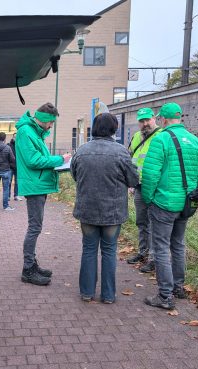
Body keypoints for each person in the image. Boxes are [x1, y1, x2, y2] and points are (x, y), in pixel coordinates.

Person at [141, 103, 198, 310]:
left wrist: (148, 198)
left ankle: (165, 295)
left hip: (164, 202)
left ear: (163, 119)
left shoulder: (160, 139)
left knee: (160, 247)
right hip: (186, 204)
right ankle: (178, 287)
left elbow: (151, 174)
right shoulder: (197, 141)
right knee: (178, 244)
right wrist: (186, 190)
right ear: (180, 118)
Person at [71, 113, 139, 303]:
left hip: (87, 209)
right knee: (109, 251)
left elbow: (75, 175)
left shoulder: (81, 151)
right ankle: (108, 295)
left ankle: (86, 292)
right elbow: (133, 179)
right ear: (114, 129)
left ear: (94, 128)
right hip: (113, 210)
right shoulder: (121, 152)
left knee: (89, 249)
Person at [15, 102, 71, 286]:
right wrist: (60, 159)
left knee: (35, 227)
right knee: (34, 228)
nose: (51, 126)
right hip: (34, 186)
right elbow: (33, 160)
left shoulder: (33, 132)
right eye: (51, 122)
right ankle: (28, 270)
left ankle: (31, 264)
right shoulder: (26, 132)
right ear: (45, 120)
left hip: (37, 184)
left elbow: (37, 158)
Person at [125, 107, 163, 273]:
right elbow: (129, 159)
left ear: (154, 119)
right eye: (142, 121)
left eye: (148, 119)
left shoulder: (161, 136)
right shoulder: (135, 137)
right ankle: (143, 252)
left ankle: (154, 259)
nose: (145, 123)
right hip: (139, 187)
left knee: (155, 223)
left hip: (156, 187)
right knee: (141, 222)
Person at [8, 133, 24, 201]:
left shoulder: (20, 145)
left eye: (16, 137)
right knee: (9, 181)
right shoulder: (9, 145)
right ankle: (8, 196)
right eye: (14, 137)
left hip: (18, 167)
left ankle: (16, 195)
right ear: (12, 137)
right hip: (10, 167)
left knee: (17, 182)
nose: (15, 138)